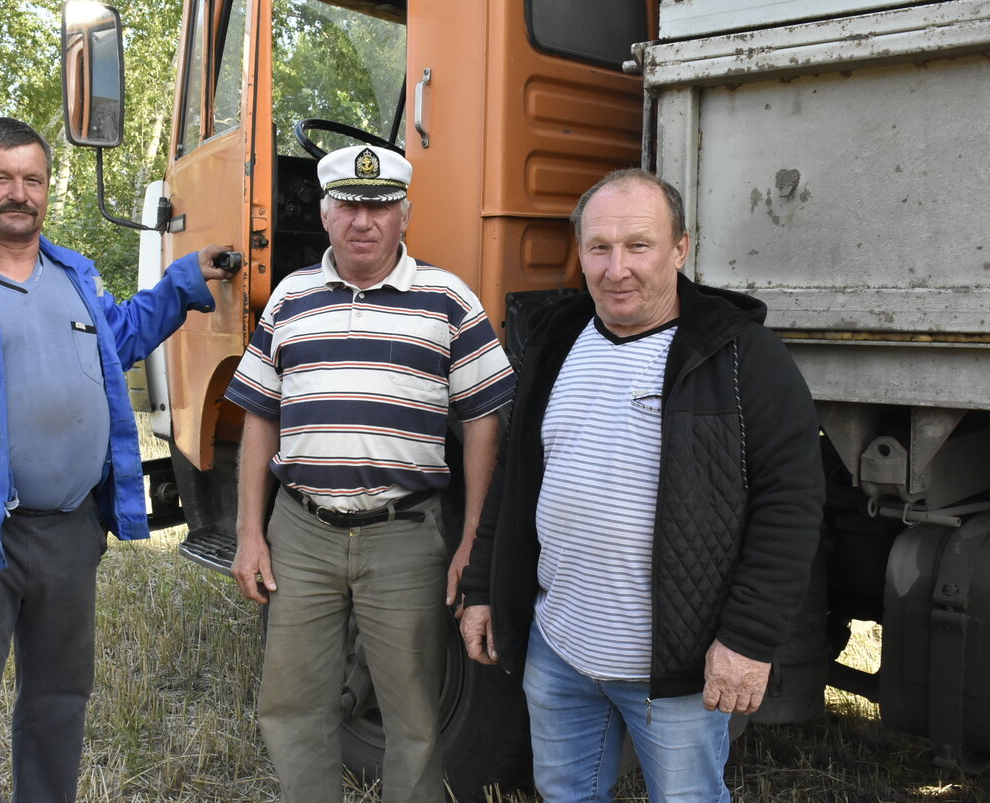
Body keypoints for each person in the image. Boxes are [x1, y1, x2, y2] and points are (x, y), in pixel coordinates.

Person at [0, 116, 233, 803]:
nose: (18, 193)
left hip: (69, 530)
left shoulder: (75, 276)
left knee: (61, 697)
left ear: (46, 188)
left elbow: (116, 340)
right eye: (1, 177)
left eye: (32, 179)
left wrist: (184, 282)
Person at [458, 169, 824, 802]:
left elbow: (790, 506)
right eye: (599, 248)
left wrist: (746, 638)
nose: (616, 268)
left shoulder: (740, 356)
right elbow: (515, 485)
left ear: (681, 249)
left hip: (675, 671)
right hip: (559, 649)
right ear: (580, 253)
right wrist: (485, 586)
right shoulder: (554, 343)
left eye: (639, 246)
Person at [224, 144, 516, 803]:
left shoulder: (447, 299)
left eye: (380, 206)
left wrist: (472, 541)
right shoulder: (290, 299)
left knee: (414, 713)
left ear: (405, 214)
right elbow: (259, 418)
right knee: (293, 702)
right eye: (350, 206)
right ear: (325, 214)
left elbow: (483, 422)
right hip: (300, 529)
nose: (364, 220)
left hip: (405, 533)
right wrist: (250, 530)